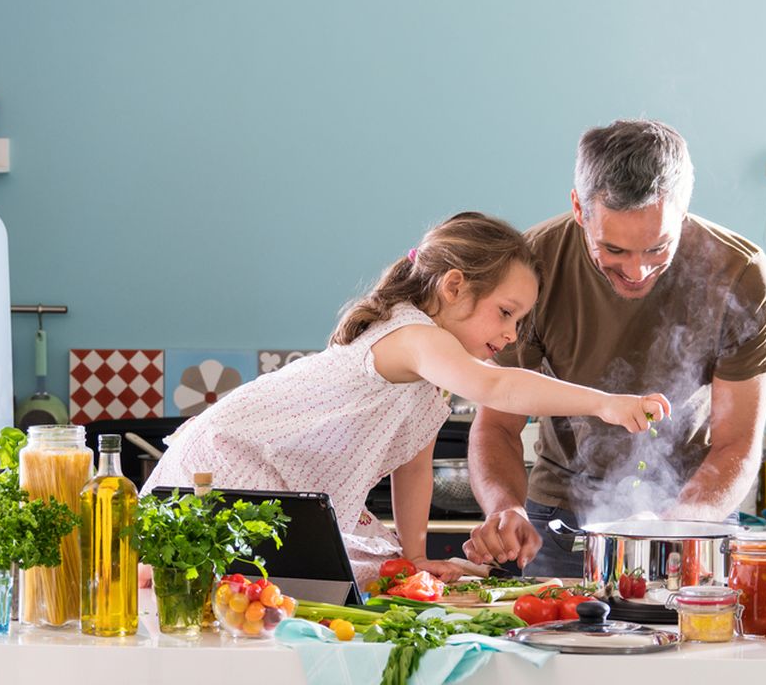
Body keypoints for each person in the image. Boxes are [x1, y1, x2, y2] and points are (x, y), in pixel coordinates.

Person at [141, 212, 671, 585]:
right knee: (237, 590)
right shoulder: (414, 336)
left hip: (275, 484)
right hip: (229, 463)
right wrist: (606, 403)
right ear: (455, 286)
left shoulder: (428, 378)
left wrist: (415, 555)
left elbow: (412, 469)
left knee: (371, 572)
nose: (512, 335)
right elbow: (496, 386)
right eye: (506, 313)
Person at [464, 120, 766, 577]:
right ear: (579, 207)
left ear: (683, 210)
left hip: (694, 512)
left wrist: (675, 528)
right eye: (613, 249)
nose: (637, 271)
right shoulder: (531, 266)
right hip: (560, 518)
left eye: (659, 248)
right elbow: (497, 423)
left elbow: (736, 444)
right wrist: (504, 508)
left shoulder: (742, 275)